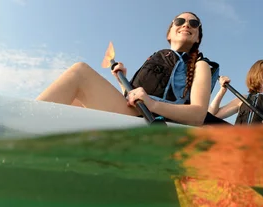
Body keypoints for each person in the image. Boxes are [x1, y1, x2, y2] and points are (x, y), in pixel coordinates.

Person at [36, 12, 220, 126]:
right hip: (136, 113)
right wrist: (122, 80)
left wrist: (153, 105)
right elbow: (133, 97)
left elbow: (197, 115)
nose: (186, 24)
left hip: (155, 121)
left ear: (197, 38)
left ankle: (15, 131)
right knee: (74, 101)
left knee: (80, 73)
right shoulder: (157, 58)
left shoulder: (200, 65)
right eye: (179, 21)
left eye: (194, 23)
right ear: (169, 33)